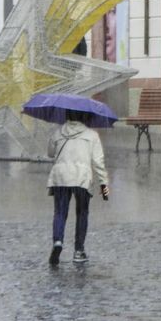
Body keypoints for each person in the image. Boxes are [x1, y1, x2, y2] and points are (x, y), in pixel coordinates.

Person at [47, 109, 110, 265]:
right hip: (82, 179)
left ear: (66, 116)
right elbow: (98, 163)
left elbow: (50, 153)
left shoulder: (58, 132)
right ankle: (79, 250)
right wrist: (104, 187)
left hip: (61, 177)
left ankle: (58, 241)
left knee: (60, 212)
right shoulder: (92, 135)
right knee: (82, 213)